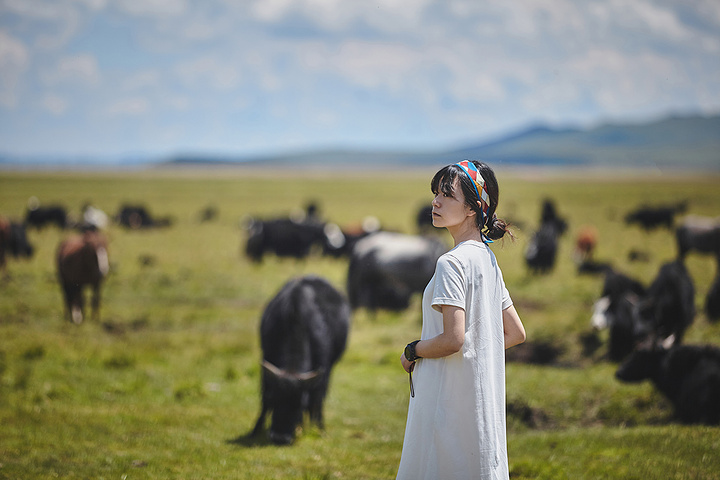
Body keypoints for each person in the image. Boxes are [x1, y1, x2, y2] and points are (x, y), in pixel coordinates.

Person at [396, 160, 526, 480]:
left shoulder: (451, 263)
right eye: (435, 194)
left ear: (472, 208)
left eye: (447, 195)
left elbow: (453, 339)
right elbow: (515, 332)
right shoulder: (486, 258)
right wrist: (478, 357)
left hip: (447, 403)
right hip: (479, 405)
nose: (435, 202)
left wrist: (412, 350)